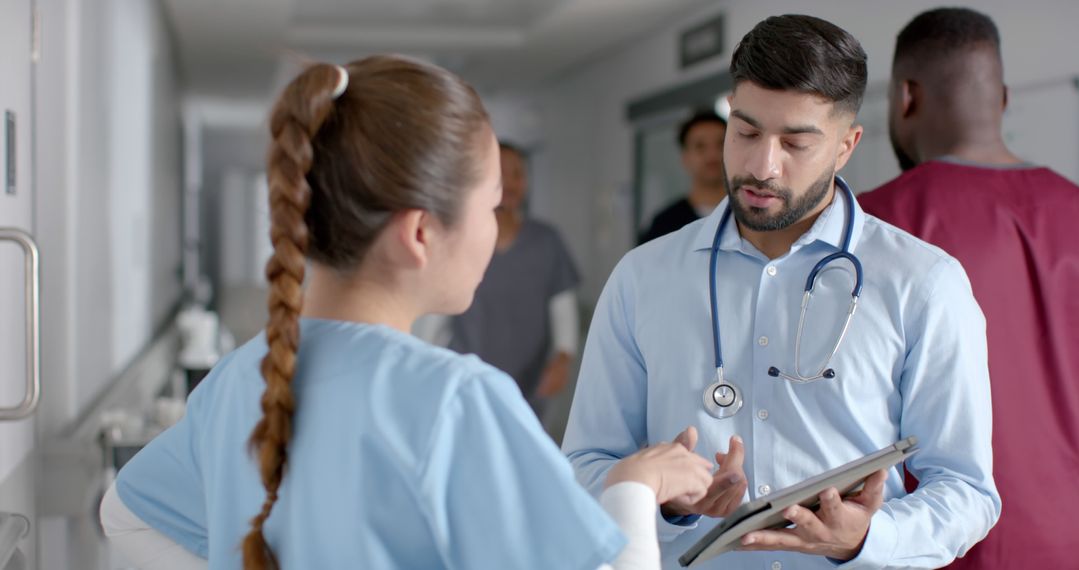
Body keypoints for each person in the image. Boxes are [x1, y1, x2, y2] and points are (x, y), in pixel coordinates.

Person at [98, 55, 716, 570]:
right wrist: (636, 488)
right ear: (420, 232)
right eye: (490, 207)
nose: (495, 231)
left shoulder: (242, 376)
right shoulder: (455, 402)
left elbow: (123, 517)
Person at [563, 14, 1001, 569]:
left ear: (846, 146)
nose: (761, 166)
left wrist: (868, 537)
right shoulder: (643, 277)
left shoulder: (923, 283)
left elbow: (966, 490)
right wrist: (658, 497)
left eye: (795, 142)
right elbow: (583, 465)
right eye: (745, 131)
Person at [859, 8, 1079, 569]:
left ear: (906, 96)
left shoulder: (873, 225)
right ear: (1002, 99)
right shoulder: (1075, 208)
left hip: (932, 547)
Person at [445, 142, 582, 417]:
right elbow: (434, 318)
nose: (509, 182)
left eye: (517, 174)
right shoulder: (459, 239)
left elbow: (563, 308)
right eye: (500, 174)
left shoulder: (546, 240)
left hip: (530, 386)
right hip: (467, 381)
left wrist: (562, 359)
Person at [639, 111, 727, 244]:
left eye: (721, 144)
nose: (712, 155)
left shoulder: (750, 217)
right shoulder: (664, 225)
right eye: (700, 146)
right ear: (685, 158)